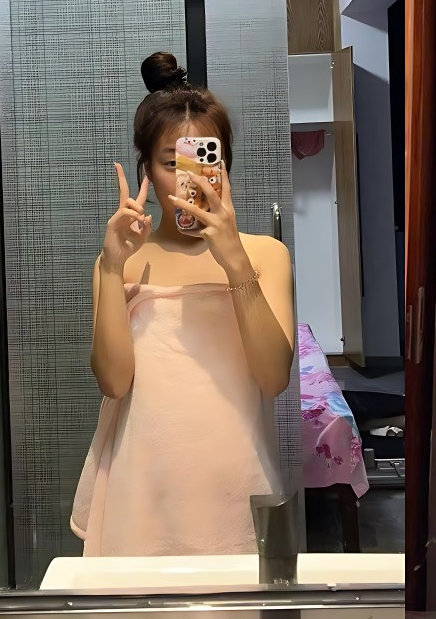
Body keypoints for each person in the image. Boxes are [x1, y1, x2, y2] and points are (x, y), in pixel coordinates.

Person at [71, 52, 296, 556]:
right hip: (140, 487)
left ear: (225, 166)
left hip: (235, 485)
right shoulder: (120, 262)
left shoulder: (266, 256)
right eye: (171, 163)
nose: (188, 178)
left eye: (203, 160)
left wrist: (234, 262)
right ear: (146, 171)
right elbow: (114, 383)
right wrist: (112, 268)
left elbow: (273, 378)